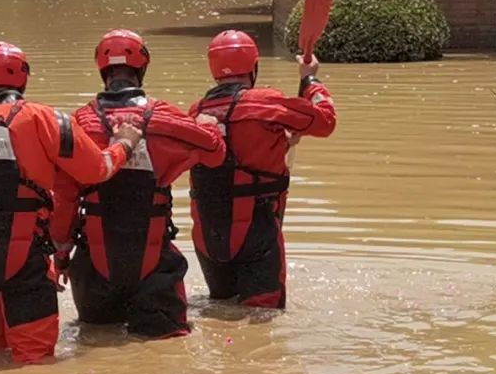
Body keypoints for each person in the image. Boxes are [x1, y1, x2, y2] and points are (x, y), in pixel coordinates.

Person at [0, 41, 142, 363]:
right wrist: (124, 144)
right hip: (27, 268)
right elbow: (97, 170)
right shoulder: (46, 119)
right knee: (35, 367)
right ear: (23, 77)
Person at [51, 29, 226, 339]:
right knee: (166, 349)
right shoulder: (164, 116)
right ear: (142, 68)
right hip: (154, 265)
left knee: (95, 346)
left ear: (103, 71)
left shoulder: (79, 123)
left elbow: (65, 199)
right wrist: (208, 125)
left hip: (94, 269)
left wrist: (62, 256)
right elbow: (215, 154)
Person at [187, 30, 337, 309]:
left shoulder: (195, 113)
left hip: (209, 238)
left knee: (222, 311)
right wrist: (310, 80)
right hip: (257, 235)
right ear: (253, 66)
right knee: (262, 321)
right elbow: (325, 121)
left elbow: (229, 153)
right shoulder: (266, 102)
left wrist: (281, 142)